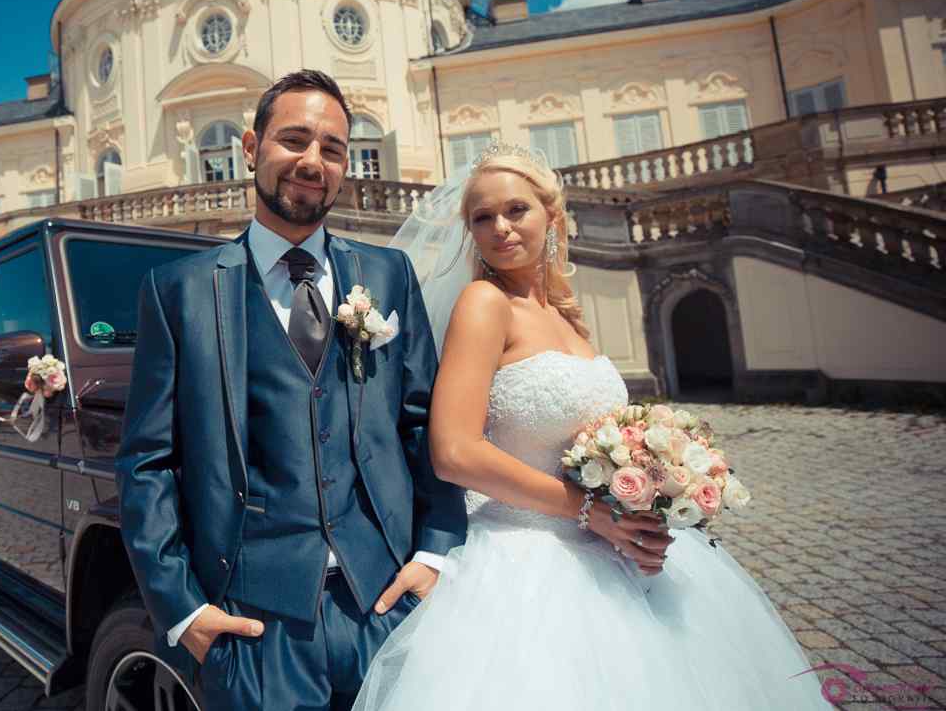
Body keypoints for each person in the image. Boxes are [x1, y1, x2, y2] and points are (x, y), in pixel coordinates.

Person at [353, 144, 830, 710]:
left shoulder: (565, 315)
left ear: (551, 218)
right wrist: (591, 510)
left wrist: (648, 493)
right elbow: (454, 452)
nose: (500, 228)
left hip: (609, 548)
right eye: (482, 217)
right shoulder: (484, 303)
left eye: (515, 211)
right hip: (519, 557)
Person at [116, 69, 467, 711]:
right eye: (294, 140)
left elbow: (424, 421)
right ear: (251, 149)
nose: (313, 161)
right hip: (253, 622)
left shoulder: (388, 275)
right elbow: (147, 462)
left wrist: (438, 553)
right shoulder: (179, 291)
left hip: (383, 601)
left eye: (333, 148)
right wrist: (181, 607)